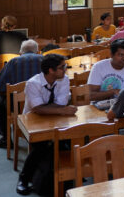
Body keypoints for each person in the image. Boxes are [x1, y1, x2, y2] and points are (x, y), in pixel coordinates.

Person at [17, 54, 76, 195]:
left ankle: (65, 177)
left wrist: (58, 110)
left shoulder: (64, 80)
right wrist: (61, 110)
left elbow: (61, 103)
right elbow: (37, 109)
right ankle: (24, 179)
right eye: (62, 67)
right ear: (51, 70)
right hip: (32, 120)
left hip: (56, 118)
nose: (66, 70)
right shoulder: (33, 83)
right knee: (42, 146)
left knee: (67, 140)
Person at [0, 40, 41, 148]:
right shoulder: (44, 60)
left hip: (17, 106)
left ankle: (6, 139)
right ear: (37, 51)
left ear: (20, 52)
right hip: (41, 104)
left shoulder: (13, 62)